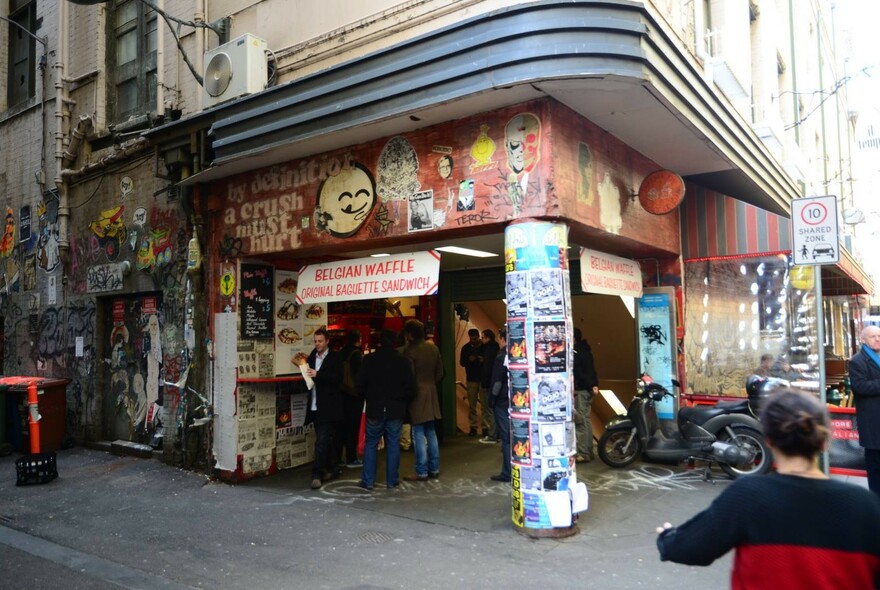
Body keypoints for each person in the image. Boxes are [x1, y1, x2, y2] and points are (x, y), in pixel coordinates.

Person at [656, 389, 880, 588]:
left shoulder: (748, 496)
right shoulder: (865, 505)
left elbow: (692, 547)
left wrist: (667, 537)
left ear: (769, 440)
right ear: (825, 441)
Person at [355, 329, 416, 491]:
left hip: (375, 408)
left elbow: (359, 385)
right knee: (393, 444)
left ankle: (368, 481)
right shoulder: (403, 361)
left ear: (380, 341)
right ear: (396, 341)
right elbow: (411, 388)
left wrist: (368, 397)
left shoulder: (369, 360)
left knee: (371, 444)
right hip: (395, 409)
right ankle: (392, 480)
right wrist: (402, 401)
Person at [402, 319, 444, 481]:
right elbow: (440, 373)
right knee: (431, 432)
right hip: (432, 392)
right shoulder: (433, 348)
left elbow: (408, 377)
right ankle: (434, 468)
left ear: (409, 334)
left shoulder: (409, 351)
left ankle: (421, 470)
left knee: (418, 433)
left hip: (417, 395)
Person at [304, 328, 345, 490]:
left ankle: (317, 474)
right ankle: (333, 468)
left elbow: (338, 379)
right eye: (315, 341)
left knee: (321, 440)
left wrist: (318, 374)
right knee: (325, 439)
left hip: (328, 406)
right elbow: (309, 378)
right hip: (314, 405)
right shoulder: (311, 357)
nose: (317, 344)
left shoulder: (335, 358)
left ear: (327, 341)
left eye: (320, 341)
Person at [849, 325, 880, 495]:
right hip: (873, 423)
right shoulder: (857, 361)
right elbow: (859, 387)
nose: (877, 339)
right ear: (864, 339)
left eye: (879, 335)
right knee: (875, 468)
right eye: (873, 336)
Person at [335, 329, 364, 469]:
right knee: (353, 428)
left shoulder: (340, 353)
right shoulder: (357, 354)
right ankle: (351, 458)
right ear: (358, 339)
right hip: (353, 395)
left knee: (341, 427)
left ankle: (338, 457)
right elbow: (360, 376)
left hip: (341, 394)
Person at [573, 327, 599, 462]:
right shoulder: (586, 351)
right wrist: (594, 385)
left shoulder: (575, 352)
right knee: (586, 420)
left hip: (581, 390)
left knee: (581, 421)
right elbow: (591, 370)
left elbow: (578, 373)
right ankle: (588, 450)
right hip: (588, 389)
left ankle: (583, 453)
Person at [488, 327, 511, 482]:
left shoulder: (501, 356)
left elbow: (497, 381)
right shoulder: (518, 354)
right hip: (515, 400)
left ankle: (507, 472)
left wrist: (491, 400)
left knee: (506, 437)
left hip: (502, 401)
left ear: (503, 339)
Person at [460, 328, 485, 437]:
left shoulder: (483, 347)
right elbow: (462, 362)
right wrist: (469, 360)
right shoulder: (466, 348)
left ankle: (484, 427)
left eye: (475, 339)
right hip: (472, 378)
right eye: (472, 339)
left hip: (480, 378)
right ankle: (475, 427)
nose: (473, 341)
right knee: (473, 405)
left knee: (484, 405)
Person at [479, 329, 500, 444]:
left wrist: (485, 382)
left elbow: (487, 368)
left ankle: (492, 434)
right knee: (495, 409)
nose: (481, 340)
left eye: (482, 337)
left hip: (489, 383)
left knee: (490, 409)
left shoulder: (487, 350)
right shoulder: (496, 349)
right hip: (495, 382)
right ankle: (496, 433)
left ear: (487, 338)